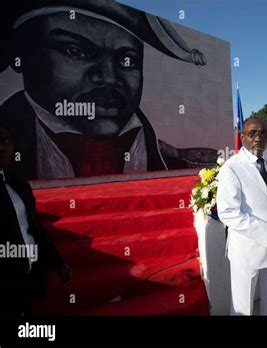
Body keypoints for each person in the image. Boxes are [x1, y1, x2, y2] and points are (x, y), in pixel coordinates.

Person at [0, 1, 216, 179]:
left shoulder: (164, 154)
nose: (109, 78)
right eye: (76, 51)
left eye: (127, 61)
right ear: (21, 57)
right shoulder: (9, 147)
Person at [216, 117, 267, 315]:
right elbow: (228, 213)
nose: (258, 138)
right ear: (242, 137)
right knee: (243, 307)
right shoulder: (231, 168)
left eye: (262, 134)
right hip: (247, 248)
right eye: (252, 134)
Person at [0, 127, 72, 317]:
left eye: (6, 141)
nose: (2, 148)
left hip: (29, 276)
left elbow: (34, 227)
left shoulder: (19, 184)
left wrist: (57, 261)